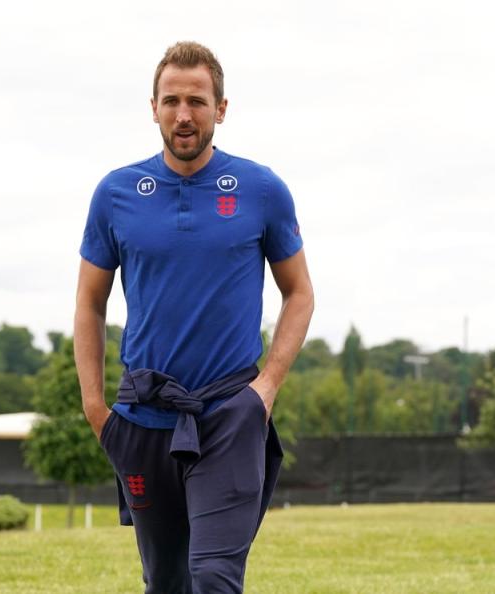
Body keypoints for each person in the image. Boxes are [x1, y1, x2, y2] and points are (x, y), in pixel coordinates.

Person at [75, 41, 314, 593]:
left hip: (230, 415)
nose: (184, 115)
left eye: (198, 102)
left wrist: (266, 387)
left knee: (212, 578)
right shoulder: (115, 194)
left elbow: (299, 293)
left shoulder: (261, 190)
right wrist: (95, 407)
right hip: (142, 417)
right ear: (153, 107)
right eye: (172, 100)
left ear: (221, 109)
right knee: (166, 582)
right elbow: (89, 302)